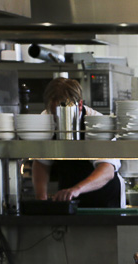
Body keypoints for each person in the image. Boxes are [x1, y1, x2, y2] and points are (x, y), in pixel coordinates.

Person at [31, 78, 124, 206]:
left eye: (63, 115)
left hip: (104, 199)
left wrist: (76, 189)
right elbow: (41, 163)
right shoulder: (46, 119)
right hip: (68, 198)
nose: (57, 120)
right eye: (54, 115)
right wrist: (41, 198)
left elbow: (107, 170)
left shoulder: (97, 123)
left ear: (80, 105)